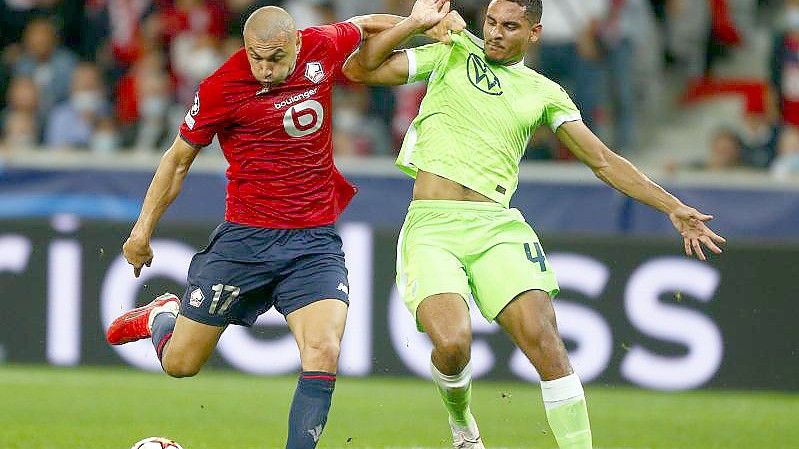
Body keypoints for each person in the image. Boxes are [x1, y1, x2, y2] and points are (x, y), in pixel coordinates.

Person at [342, 1, 726, 448]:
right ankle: (463, 425)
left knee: (546, 344)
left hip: (496, 227)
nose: (496, 33)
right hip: (432, 225)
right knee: (452, 346)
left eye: (510, 26)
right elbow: (360, 69)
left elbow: (602, 160)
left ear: (534, 32)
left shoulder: (544, 93)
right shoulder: (451, 52)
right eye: (490, 22)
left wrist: (672, 207)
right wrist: (412, 24)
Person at [105, 5, 460, 449]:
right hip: (245, 241)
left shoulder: (321, 45)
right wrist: (141, 231)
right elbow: (177, 161)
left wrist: (426, 25)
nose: (266, 69)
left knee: (324, 350)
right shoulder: (220, 88)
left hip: (314, 243)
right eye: (257, 57)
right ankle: (162, 314)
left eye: (276, 58)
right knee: (181, 364)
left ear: (297, 43)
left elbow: (368, 24)